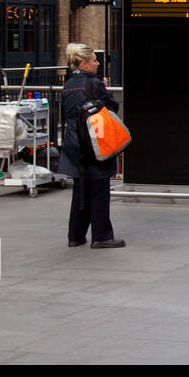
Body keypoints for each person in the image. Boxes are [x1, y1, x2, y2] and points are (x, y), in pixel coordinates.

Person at [60, 43, 124, 248]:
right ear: (86, 63)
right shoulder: (94, 84)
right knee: (99, 188)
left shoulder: (68, 84)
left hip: (74, 142)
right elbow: (111, 107)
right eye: (95, 60)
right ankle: (102, 236)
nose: (98, 63)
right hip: (95, 142)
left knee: (80, 190)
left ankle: (75, 236)